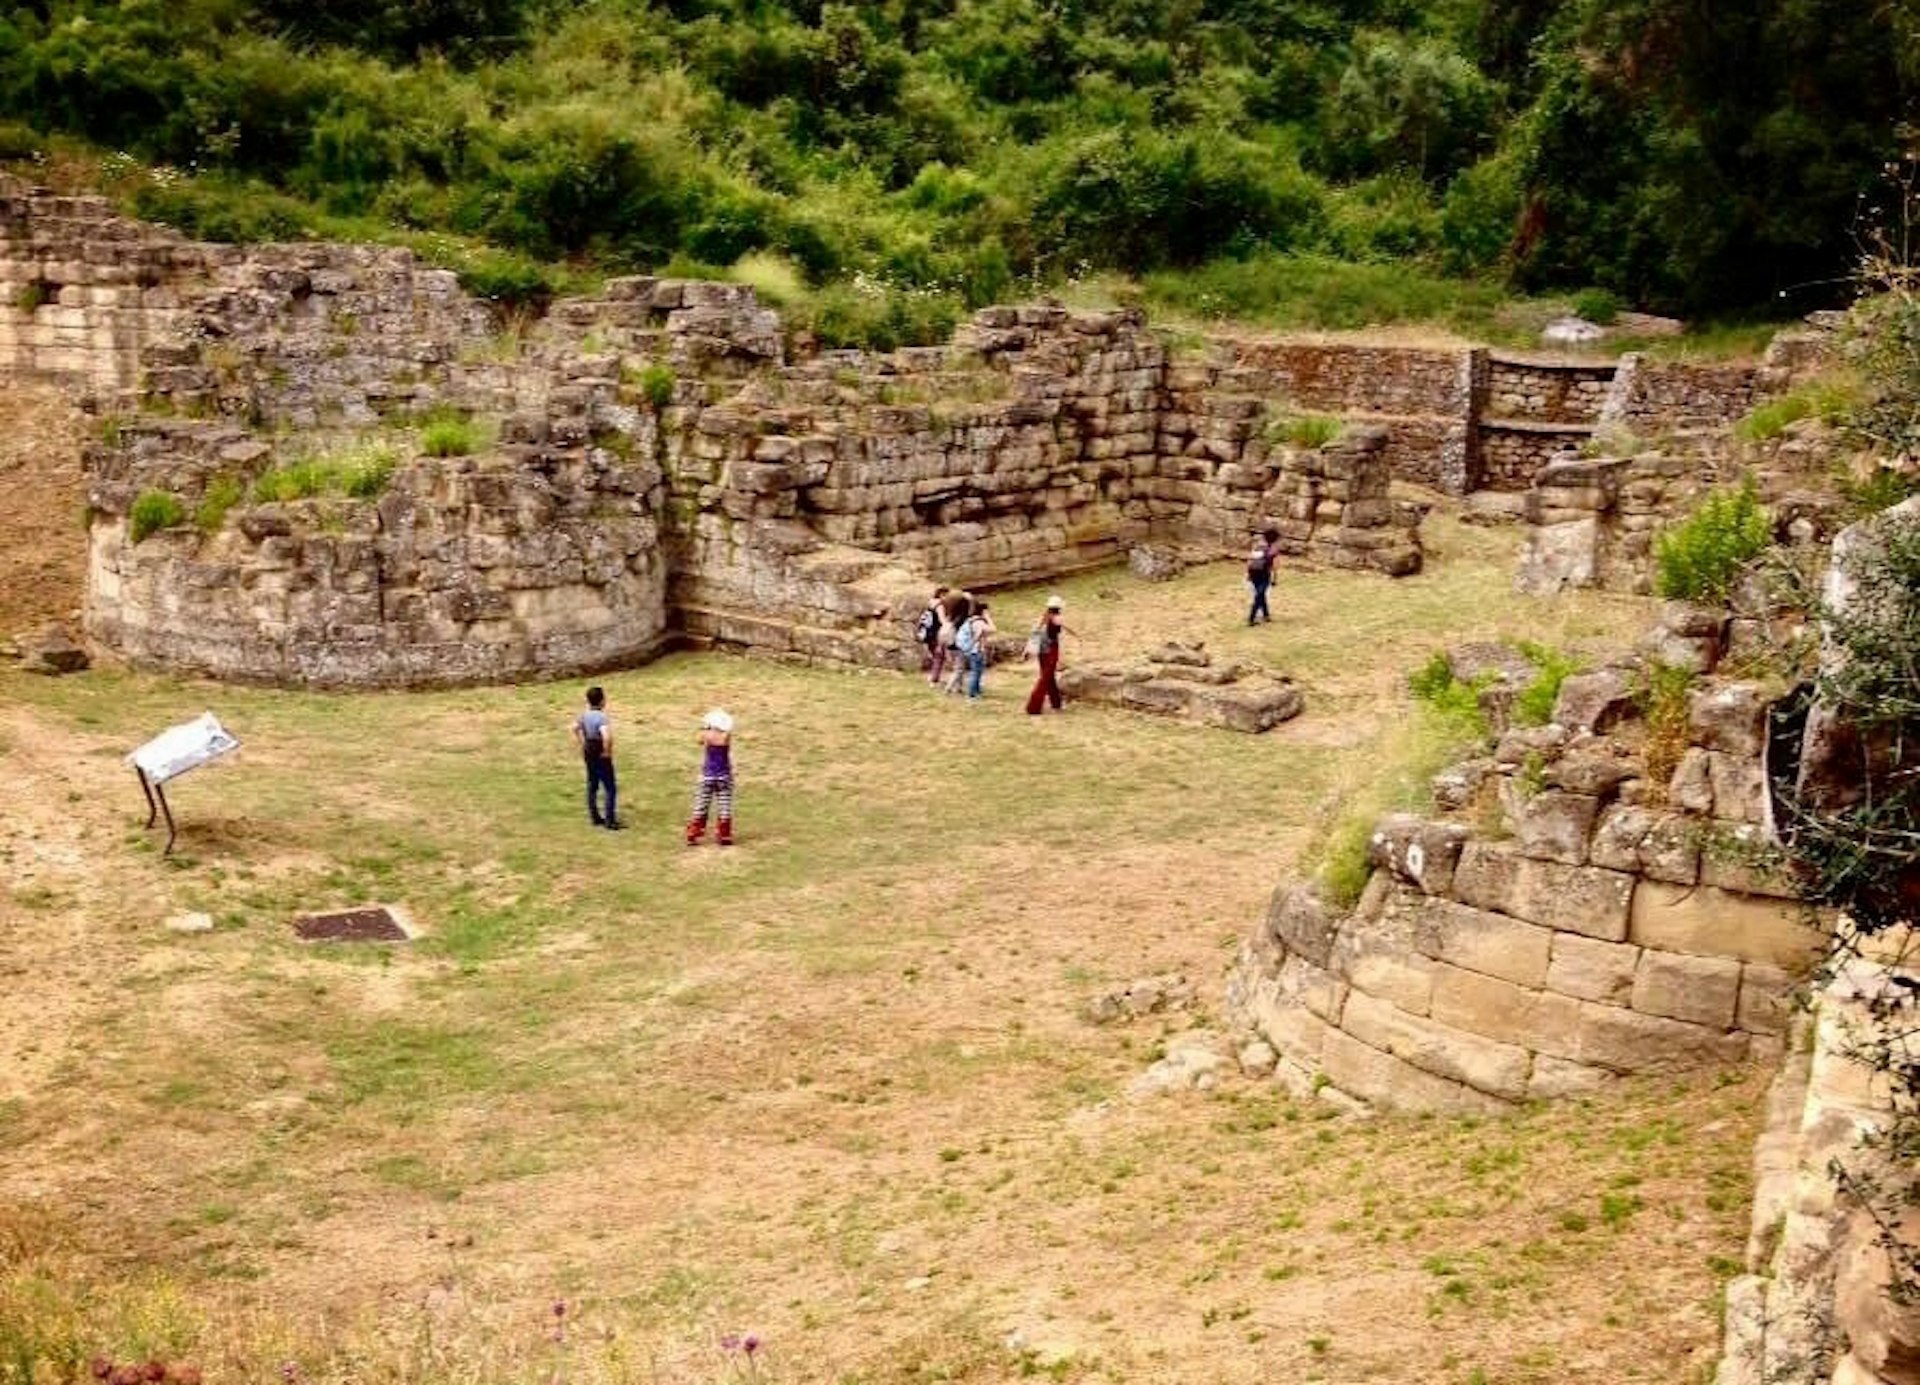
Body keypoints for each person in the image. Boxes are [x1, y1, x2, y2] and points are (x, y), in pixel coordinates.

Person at [572, 686, 623, 830]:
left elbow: (574, 728)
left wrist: (582, 743)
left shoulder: (584, 715)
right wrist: (606, 751)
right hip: (599, 749)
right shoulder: (601, 717)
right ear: (601, 701)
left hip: (588, 749)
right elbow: (606, 736)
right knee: (610, 787)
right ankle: (610, 820)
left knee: (592, 784)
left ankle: (595, 817)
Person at [686, 709, 736, 846]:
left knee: (701, 804)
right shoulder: (725, 736)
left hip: (707, 776)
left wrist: (705, 728)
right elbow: (725, 737)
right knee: (724, 805)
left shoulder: (707, 735)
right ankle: (725, 833)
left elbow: (699, 740)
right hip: (724, 776)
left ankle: (694, 830)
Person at [1025, 594, 1070, 715]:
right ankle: (1033, 706)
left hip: (1042, 649)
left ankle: (1056, 703)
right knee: (1045, 678)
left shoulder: (1043, 617)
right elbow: (1059, 634)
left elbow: (1034, 632)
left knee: (1049, 678)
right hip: (1051, 649)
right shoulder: (1058, 618)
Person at [959, 600, 995, 700]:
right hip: (976, 650)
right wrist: (988, 617)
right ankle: (972, 694)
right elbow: (993, 629)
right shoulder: (979, 622)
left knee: (978, 672)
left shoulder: (971, 619)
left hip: (972, 649)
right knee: (976, 672)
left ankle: (976, 691)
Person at [1246, 525, 1281, 625]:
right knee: (1259, 595)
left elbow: (1250, 559)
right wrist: (1275, 578)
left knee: (1261, 594)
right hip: (1264, 573)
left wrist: (1248, 573)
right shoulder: (1274, 550)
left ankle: (1266, 615)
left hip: (1253, 572)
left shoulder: (1258, 545)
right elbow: (1275, 566)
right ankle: (1251, 618)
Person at [917, 585, 950, 686]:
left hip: (928, 633)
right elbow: (942, 619)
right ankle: (934, 679)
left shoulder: (930, 603)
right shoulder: (939, 605)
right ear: (942, 595)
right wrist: (948, 626)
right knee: (939, 656)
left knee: (936, 655)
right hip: (936, 633)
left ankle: (934, 677)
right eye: (947, 595)